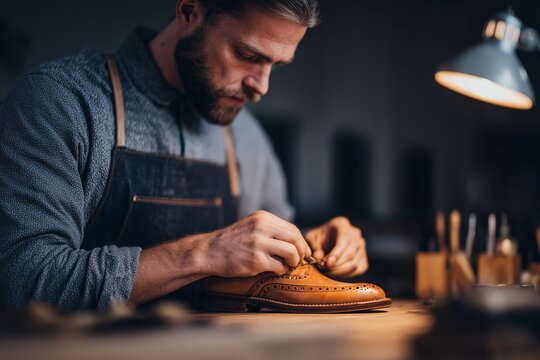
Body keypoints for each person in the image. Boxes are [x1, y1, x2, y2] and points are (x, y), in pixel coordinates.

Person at [0, 0, 368, 312]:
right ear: (189, 12)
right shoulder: (59, 103)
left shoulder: (248, 136)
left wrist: (308, 248)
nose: (261, 87)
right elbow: (22, 279)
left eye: (276, 65)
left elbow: (266, 263)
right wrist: (205, 252)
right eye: (246, 55)